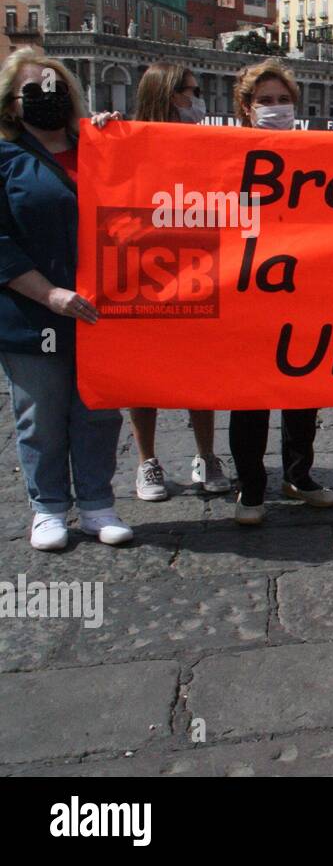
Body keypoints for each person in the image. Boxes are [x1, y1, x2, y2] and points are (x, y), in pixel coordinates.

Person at [0, 48, 133, 549]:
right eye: (33, 92)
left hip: (102, 310)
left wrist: (119, 135)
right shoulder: (5, 156)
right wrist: (49, 293)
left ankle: (98, 503)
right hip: (34, 310)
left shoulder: (100, 145)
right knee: (41, 412)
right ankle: (49, 508)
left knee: (99, 409)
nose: (47, 100)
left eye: (57, 90)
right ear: (12, 105)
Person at [226, 59, 333, 525]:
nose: (276, 108)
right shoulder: (225, 153)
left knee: (302, 388)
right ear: (246, 109)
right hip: (247, 289)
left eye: (283, 100)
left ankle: (298, 475)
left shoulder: (314, 153)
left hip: (303, 287)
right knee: (249, 396)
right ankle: (251, 487)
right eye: (265, 102)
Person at [124, 61, 231, 501]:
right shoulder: (124, 143)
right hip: (143, 267)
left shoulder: (206, 144)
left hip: (200, 265)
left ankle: (206, 454)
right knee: (142, 371)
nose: (198, 101)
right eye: (192, 92)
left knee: (200, 366)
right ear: (169, 96)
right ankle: (148, 462)